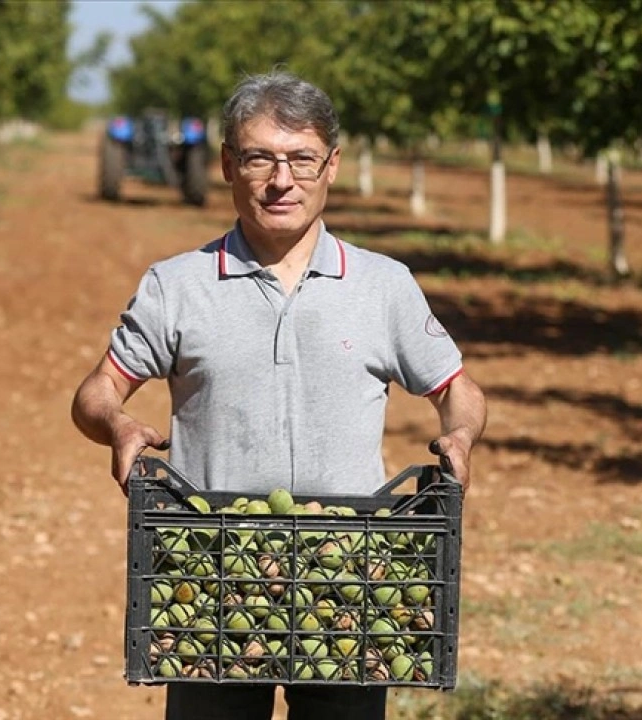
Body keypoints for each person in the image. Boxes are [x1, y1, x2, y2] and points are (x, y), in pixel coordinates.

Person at [70, 70, 487, 720]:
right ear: (229, 164)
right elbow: (97, 391)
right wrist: (119, 426)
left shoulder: (383, 286)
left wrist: (460, 436)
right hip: (212, 583)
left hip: (347, 584)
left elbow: (456, 390)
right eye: (260, 157)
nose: (281, 180)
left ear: (332, 165)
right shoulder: (178, 286)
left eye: (301, 159)